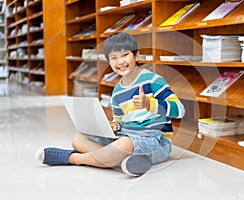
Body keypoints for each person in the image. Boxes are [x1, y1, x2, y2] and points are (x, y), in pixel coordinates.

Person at [35, 32, 185, 176]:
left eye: (125, 55)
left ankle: (73, 159)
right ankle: (121, 160)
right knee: (78, 138)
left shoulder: (153, 80)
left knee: (124, 145)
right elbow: (121, 121)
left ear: (137, 55)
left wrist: (150, 104)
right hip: (125, 136)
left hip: (156, 141)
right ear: (109, 62)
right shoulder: (117, 92)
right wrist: (114, 126)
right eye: (114, 58)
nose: (120, 62)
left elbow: (180, 110)